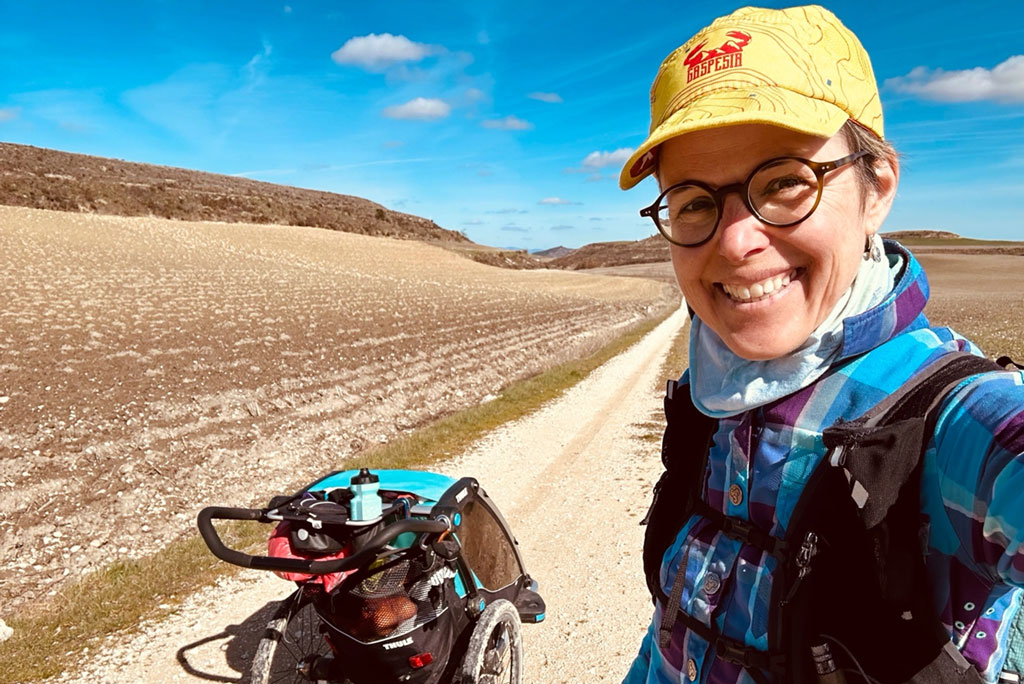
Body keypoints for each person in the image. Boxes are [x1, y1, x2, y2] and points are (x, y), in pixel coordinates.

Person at [616, 5, 1024, 684]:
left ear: (876, 191)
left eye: (782, 183)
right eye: (692, 201)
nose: (735, 241)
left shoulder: (947, 423)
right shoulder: (708, 396)